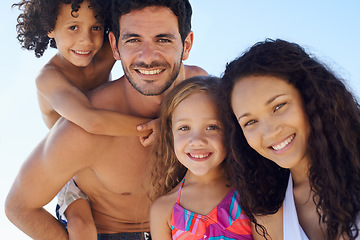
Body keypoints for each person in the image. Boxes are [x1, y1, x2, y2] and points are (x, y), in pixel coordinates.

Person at [5, 0, 207, 239]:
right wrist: (159, 127)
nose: (148, 56)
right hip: (107, 223)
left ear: (187, 45)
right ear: (116, 46)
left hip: (187, 228)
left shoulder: (205, 95)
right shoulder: (68, 109)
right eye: (133, 40)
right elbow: (18, 206)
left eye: (163, 39)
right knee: (82, 227)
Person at [221, 39, 360, 240]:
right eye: (250, 122)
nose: (269, 132)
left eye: (279, 106)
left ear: (311, 96)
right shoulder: (266, 217)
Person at [149, 76, 253, 239]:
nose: (197, 141)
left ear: (230, 130)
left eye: (212, 127)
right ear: (171, 133)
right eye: (184, 128)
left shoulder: (251, 192)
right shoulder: (163, 209)